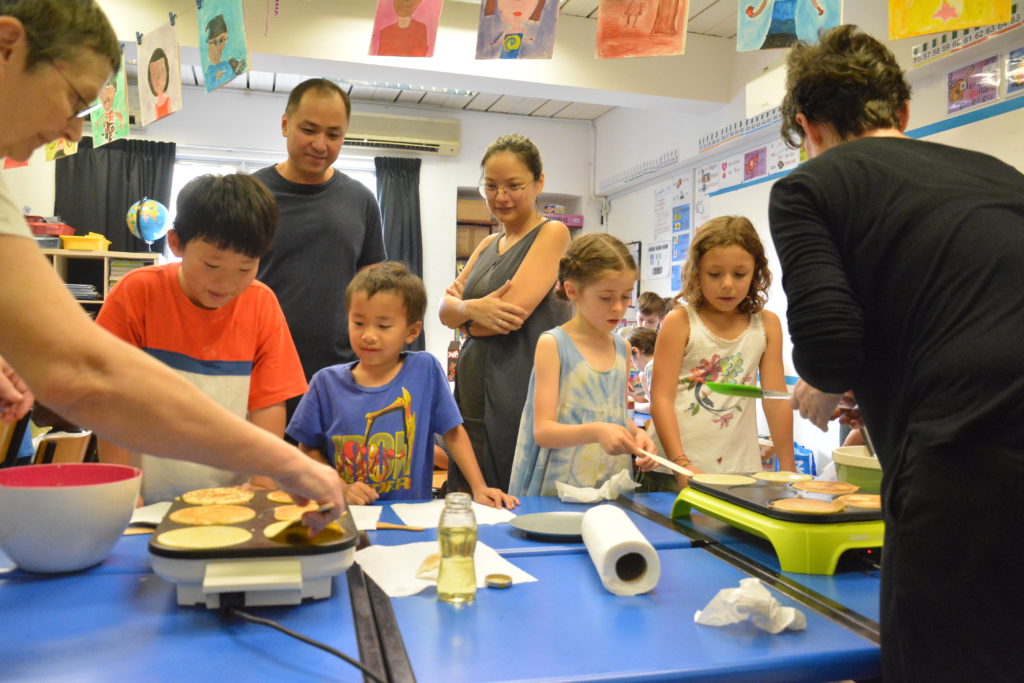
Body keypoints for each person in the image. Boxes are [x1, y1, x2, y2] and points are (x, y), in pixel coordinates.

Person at [0, 0, 342, 531]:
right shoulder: (141, 290)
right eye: (74, 101)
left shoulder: (262, 305)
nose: (72, 132)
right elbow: (88, 375)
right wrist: (288, 463)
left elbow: (67, 366)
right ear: (7, 46)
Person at [768, 25, 1024, 680]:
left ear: (807, 127)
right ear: (904, 112)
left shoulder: (811, 186)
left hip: (967, 462)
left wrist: (828, 379)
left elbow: (828, 345)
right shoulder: (1002, 177)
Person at [95, 174, 307, 505]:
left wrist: (263, 484)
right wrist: (123, 487)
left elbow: (268, 404)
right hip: (145, 493)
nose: (225, 283)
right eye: (211, 264)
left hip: (231, 497)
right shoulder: (137, 292)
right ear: (177, 243)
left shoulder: (261, 304)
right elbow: (111, 400)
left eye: (244, 269)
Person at [287, 262, 518, 509]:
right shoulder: (325, 383)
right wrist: (340, 488)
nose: (369, 335)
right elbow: (307, 448)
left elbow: (453, 432)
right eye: (358, 323)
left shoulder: (424, 370)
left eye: (384, 326)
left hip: (413, 519)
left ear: (412, 331)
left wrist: (479, 487)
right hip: (349, 517)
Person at [439, 133, 571, 492]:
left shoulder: (553, 233)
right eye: (491, 186)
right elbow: (443, 308)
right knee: (468, 493)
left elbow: (509, 317)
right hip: (472, 384)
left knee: (511, 496)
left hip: (519, 384)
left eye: (514, 186)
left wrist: (463, 318)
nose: (501, 197)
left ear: (539, 182)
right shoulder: (486, 244)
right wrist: (472, 309)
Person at [255, 78, 387, 410]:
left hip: (340, 375)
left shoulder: (361, 200)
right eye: (309, 130)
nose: (320, 144)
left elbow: (374, 294)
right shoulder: (251, 195)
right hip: (260, 368)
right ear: (285, 124)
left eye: (333, 134)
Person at [507, 234, 656, 497]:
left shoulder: (621, 347)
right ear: (572, 290)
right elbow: (543, 431)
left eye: (625, 296)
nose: (619, 308)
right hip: (561, 486)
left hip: (610, 482)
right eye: (606, 298)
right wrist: (598, 432)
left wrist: (636, 436)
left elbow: (616, 416)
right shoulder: (553, 344)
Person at [649, 216, 794, 486]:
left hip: (739, 470)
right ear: (697, 273)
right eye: (714, 274)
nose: (727, 284)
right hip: (673, 469)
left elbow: (775, 399)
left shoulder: (767, 325)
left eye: (740, 274)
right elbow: (661, 398)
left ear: (756, 272)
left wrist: (789, 468)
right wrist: (682, 465)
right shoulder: (680, 322)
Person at [203, 14, 245, 91]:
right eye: (222, 40)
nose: (224, 44)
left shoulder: (227, 65)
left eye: (225, 39)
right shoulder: (209, 71)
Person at [626, 326, 656, 405]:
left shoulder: (650, 368)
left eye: (630, 359)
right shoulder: (664, 362)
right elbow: (648, 401)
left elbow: (655, 407)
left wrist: (633, 407)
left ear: (635, 351)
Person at [146, 47, 171, 120]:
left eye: (161, 69)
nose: (157, 77)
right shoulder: (155, 107)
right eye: (153, 72)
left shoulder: (168, 101)